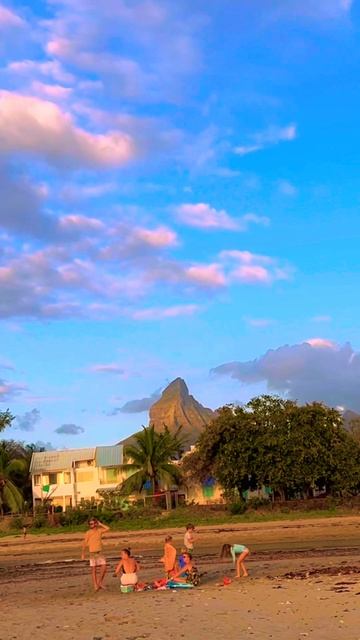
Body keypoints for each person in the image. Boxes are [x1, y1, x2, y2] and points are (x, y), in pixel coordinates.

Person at [81, 518, 110, 591]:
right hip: (92, 553)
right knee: (93, 569)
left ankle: (99, 582)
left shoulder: (99, 531)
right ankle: (95, 584)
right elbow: (84, 543)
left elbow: (108, 528)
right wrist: (83, 554)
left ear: (96, 524)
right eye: (91, 524)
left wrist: (100, 524)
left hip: (99, 552)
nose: (92, 525)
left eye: (93, 523)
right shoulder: (88, 532)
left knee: (104, 567)